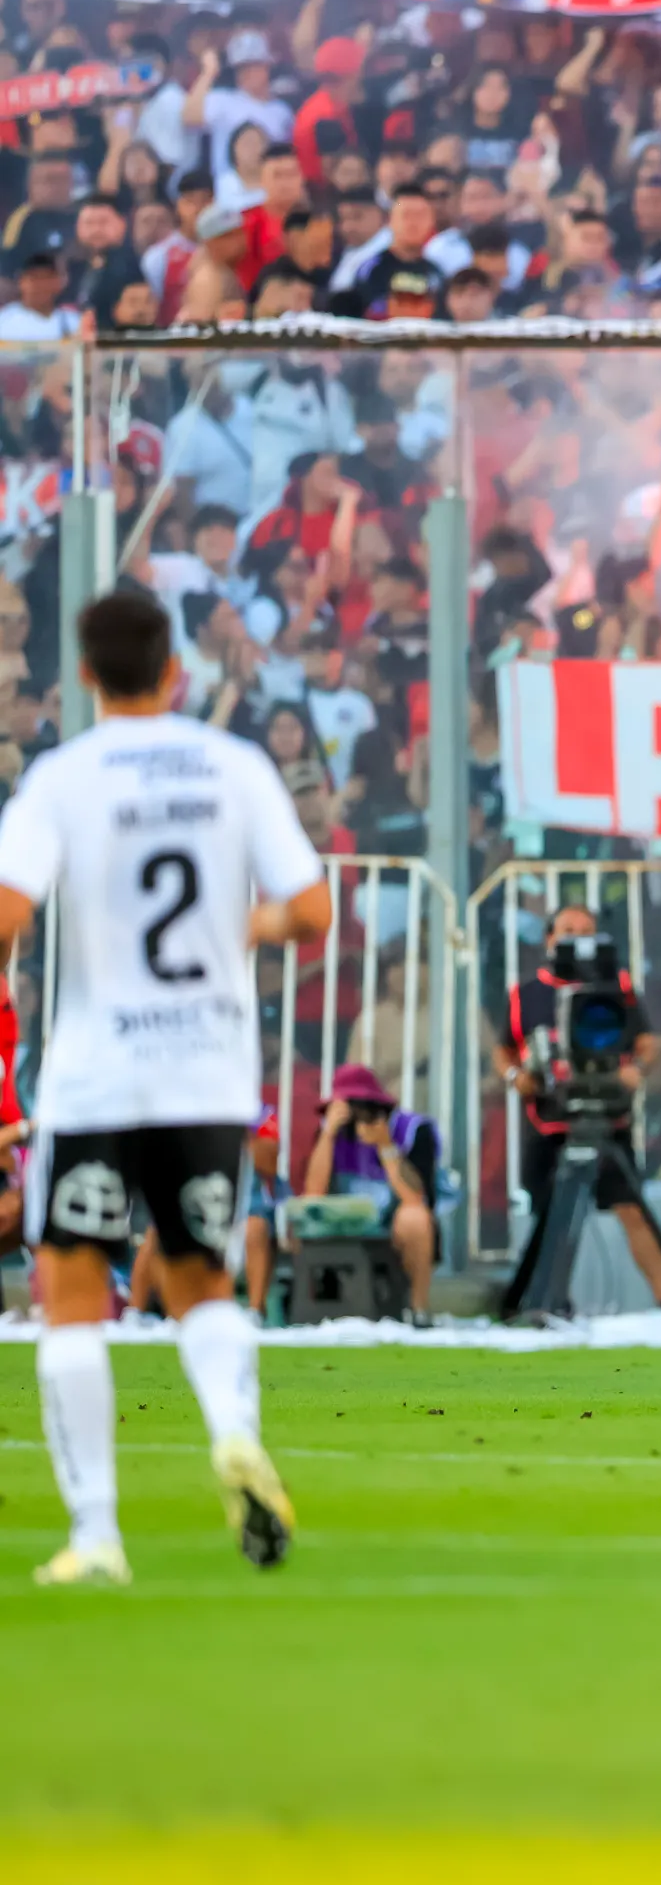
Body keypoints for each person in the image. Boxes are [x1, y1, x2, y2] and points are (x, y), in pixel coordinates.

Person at [0, 587, 330, 1585]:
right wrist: (255, 927)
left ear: (87, 675)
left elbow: (8, 910)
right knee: (201, 1281)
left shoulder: (63, 778)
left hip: (99, 1074)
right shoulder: (232, 767)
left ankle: (97, 1533)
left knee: (69, 1294)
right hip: (209, 1071)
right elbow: (310, 907)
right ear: (175, 669)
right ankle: (233, 1431)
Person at [498, 903, 661, 1316]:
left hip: (607, 1118)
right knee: (551, 1215)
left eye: (586, 930)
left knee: (632, 1209)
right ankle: (547, 1301)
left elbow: (646, 1042)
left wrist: (634, 1069)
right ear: (549, 938)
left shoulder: (616, 986)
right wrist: (516, 1077)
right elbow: (503, 1048)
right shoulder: (526, 994)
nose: (577, 939)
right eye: (567, 930)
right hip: (548, 1122)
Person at [300, 1062, 438, 1309]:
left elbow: (415, 1197)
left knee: (415, 1218)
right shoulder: (329, 1133)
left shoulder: (413, 1130)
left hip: (392, 1220)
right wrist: (329, 1134)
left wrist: (386, 1146)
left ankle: (419, 1308)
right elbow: (314, 1193)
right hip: (343, 1220)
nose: (358, 1116)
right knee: (305, 1209)